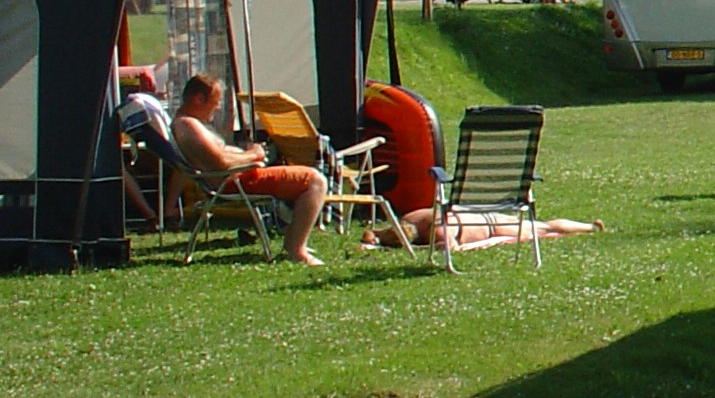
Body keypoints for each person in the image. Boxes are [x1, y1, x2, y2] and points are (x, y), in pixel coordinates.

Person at [170, 73, 328, 266]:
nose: (218, 107)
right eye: (215, 101)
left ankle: (293, 241)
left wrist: (245, 153)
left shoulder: (186, 123)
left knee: (305, 178)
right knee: (315, 181)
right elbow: (222, 163)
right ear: (199, 99)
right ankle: (296, 249)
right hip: (234, 182)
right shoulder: (188, 125)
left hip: (234, 179)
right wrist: (253, 154)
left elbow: (219, 157)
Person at [361, 209, 603, 253]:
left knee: (543, 228)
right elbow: (373, 233)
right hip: (484, 216)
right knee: (542, 225)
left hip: (492, 228)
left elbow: (450, 248)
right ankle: (588, 226)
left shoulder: (437, 230)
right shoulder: (411, 217)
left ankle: (590, 228)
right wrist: (372, 241)